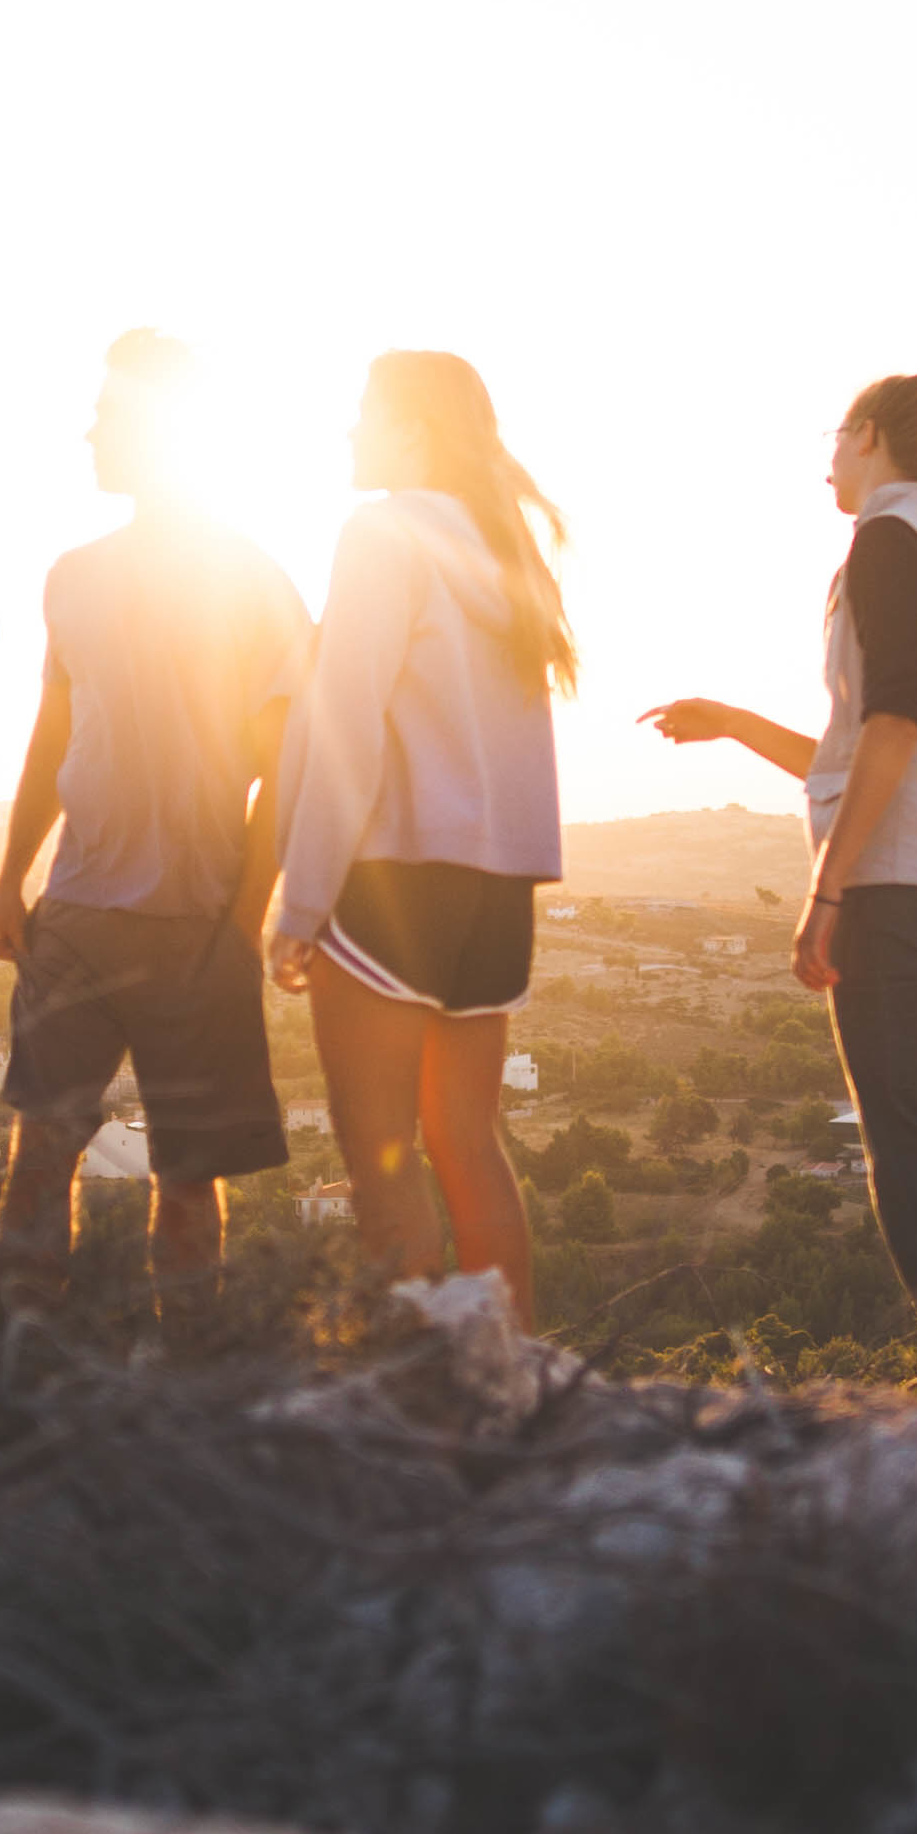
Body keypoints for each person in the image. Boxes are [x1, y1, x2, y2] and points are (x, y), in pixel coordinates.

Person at [641, 372, 917, 1330]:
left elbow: (894, 722)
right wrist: (733, 723)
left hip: (895, 872)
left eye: (839, 435)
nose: (828, 459)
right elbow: (859, 746)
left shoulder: (885, 541)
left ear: (871, 435)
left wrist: (828, 889)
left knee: (908, 1142)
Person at [0, 334, 311, 1311]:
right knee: (39, 1152)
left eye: (108, 414)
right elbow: (51, 740)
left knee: (188, 1180)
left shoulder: (252, 579)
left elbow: (287, 769)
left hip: (196, 924)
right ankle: (26, 1368)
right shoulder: (72, 575)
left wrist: (243, 919)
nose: (89, 433)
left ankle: (189, 1389)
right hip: (73, 914)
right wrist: (7, 881)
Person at [266, 351, 569, 1319]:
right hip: (497, 890)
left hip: (391, 877)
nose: (350, 433)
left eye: (364, 414)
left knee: (379, 1151)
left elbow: (346, 718)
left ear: (416, 432)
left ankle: (412, 1390)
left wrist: (300, 897)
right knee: (468, 1143)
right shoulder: (505, 550)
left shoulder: (382, 531)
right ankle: (511, 1378)